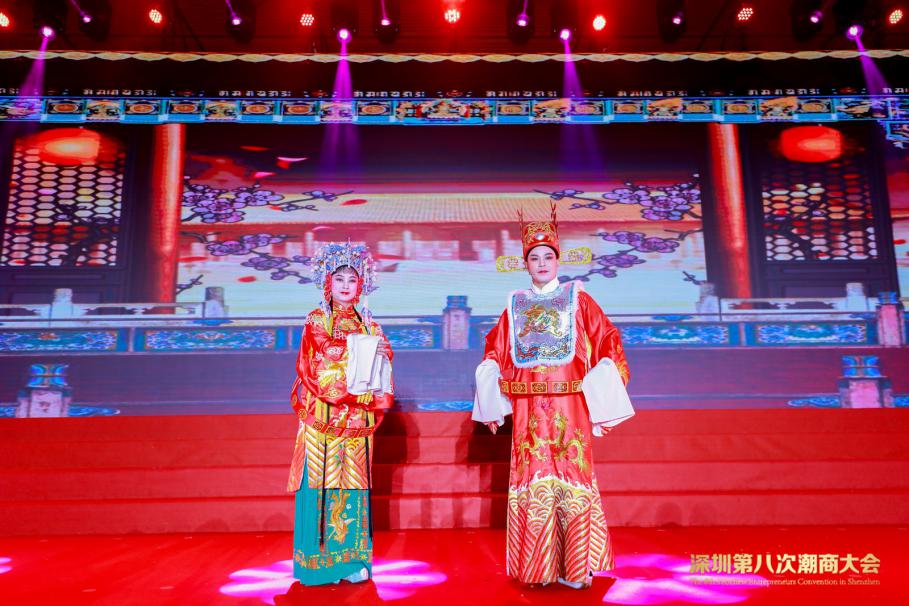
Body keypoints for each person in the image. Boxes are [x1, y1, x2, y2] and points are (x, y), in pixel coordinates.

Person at [472, 203, 635, 589]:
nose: (542, 263)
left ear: (557, 260)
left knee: (571, 476)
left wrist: (603, 382)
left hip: (569, 407)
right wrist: (491, 387)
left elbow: (608, 340)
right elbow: (495, 351)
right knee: (534, 480)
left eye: (548, 256)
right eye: (535, 258)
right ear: (525, 264)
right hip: (529, 411)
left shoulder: (578, 298)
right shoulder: (515, 305)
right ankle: (539, 568)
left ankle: (575, 568)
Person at [287, 242, 394, 586]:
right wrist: (362, 353)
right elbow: (318, 360)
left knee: (353, 485)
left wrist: (381, 354)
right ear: (328, 283)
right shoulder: (317, 319)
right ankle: (319, 563)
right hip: (324, 415)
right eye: (339, 279)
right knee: (321, 482)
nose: (346, 285)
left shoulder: (369, 323)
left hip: (358, 417)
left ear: (361, 284)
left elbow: (381, 365)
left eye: (352, 279)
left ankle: (351, 559)